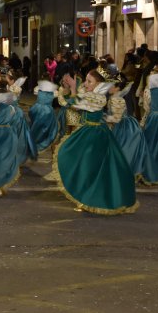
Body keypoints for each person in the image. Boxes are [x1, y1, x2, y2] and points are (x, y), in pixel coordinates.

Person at [53, 70, 138, 214]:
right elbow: (70, 103)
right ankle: (85, 196)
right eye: (86, 80)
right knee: (85, 165)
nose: (85, 84)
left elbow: (77, 103)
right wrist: (70, 88)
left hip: (95, 135)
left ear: (99, 84)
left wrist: (73, 89)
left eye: (89, 81)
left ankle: (93, 198)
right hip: (88, 131)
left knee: (90, 167)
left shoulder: (98, 98)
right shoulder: (91, 94)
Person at [107, 74, 158, 185]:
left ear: (117, 88)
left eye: (110, 85)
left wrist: (101, 118)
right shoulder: (114, 98)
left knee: (125, 150)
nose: (108, 88)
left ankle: (125, 173)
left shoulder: (116, 100)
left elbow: (116, 118)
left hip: (125, 128)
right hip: (126, 125)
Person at [28, 78, 59, 153]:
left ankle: (34, 140)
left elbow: (35, 93)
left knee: (36, 125)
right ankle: (43, 139)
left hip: (37, 108)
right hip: (47, 110)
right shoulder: (54, 91)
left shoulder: (37, 89)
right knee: (47, 127)